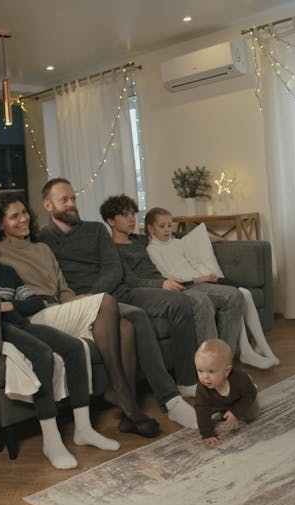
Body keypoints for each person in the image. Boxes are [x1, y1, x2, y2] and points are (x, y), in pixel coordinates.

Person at [0, 219, 120, 470]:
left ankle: (83, 429)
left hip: (21, 323)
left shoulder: (8, 272)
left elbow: (33, 302)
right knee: (42, 354)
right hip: (0, 330)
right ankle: (51, 440)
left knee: (75, 347)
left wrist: (9, 305)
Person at [40, 178, 198, 430]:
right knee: (135, 318)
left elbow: (113, 268)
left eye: (73, 198)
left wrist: (94, 292)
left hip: (117, 291)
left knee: (179, 302)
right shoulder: (42, 238)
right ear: (48, 205)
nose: (71, 204)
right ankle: (171, 401)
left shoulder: (95, 230)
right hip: (90, 306)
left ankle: (187, 380)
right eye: (64, 200)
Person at [100, 194, 243, 358]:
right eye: (125, 215)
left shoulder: (140, 239)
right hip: (156, 290)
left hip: (173, 283)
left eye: (133, 214)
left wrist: (210, 238)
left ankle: (224, 358)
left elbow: (177, 236)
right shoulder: (112, 250)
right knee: (200, 301)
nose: (132, 219)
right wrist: (160, 285)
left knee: (234, 295)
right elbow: (130, 280)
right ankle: (209, 361)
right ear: (111, 221)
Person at [145, 206, 279, 369]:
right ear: (150, 229)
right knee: (238, 294)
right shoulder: (152, 250)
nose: (167, 229)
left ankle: (255, 347)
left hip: (204, 281)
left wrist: (219, 239)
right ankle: (250, 349)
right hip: (193, 284)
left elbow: (198, 241)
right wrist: (201, 278)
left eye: (170, 225)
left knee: (243, 294)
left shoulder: (177, 242)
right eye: (162, 226)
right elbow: (169, 276)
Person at [194, 339, 259, 447]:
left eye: (211, 371)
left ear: (227, 371)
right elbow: (201, 409)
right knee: (205, 413)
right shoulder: (202, 387)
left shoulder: (239, 379)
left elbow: (251, 394)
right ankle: (224, 410)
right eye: (200, 371)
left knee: (252, 413)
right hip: (218, 403)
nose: (205, 377)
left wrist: (236, 411)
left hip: (242, 396)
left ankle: (251, 383)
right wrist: (207, 434)